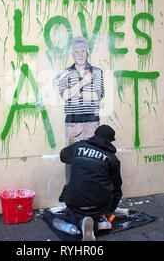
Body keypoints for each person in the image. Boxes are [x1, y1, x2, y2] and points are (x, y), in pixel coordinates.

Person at [59, 124, 122, 241]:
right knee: (109, 188)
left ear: (94, 135)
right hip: (98, 205)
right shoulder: (112, 159)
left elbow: (63, 155)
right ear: (110, 142)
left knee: (72, 205)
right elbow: (117, 189)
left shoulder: (78, 147)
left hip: (74, 202)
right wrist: (110, 211)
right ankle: (100, 219)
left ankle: (82, 222)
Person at [55, 36, 104, 183]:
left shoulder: (97, 72)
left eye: (83, 51)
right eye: (77, 51)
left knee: (92, 157)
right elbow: (65, 95)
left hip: (92, 122)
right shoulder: (64, 73)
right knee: (72, 158)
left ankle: (90, 189)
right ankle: (71, 189)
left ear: (88, 52)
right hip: (73, 123)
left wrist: (75, 90)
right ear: (72, 53)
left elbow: (97, 95)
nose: (80, 54)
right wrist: (83, 82)